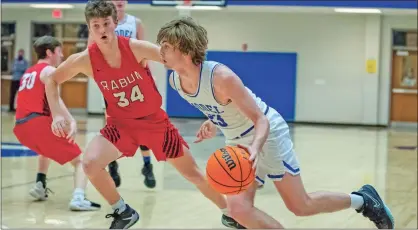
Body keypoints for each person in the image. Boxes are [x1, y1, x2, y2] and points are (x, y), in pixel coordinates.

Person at [157, 16, 395, 229]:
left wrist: (255, 148)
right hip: (237, 140)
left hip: (266, 133)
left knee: (300, 205)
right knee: (238, 211)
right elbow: (221, 106)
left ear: (185, 50)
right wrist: (213, 121)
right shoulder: (177, 83)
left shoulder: (222, 77)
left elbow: (260, 120)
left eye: (166, 47)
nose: (161, 51)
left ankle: (363, 200)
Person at [45, 1, 242, 229]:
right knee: (89, 163)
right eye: (95, 25)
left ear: (115, 23)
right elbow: (51, 79)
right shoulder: (85, 60)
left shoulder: (136, 47)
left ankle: (229, 213)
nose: (102, 30)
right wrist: (57, 113)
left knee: (193, 174)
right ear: (90, 28)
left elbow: (176, 60)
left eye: (106, 24)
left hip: (154, 123)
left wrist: (199, 79)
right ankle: (123, 211)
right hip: (120, 125)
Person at [13, 35, 101, 211]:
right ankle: (78, 198)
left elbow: (27, 98)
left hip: (21, 126)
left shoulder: (29, 72)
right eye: (59, 52)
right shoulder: (48, 72)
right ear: (49, 52)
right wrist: (64, 118)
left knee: (45, 150)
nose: (61, 56)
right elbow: (54, 97)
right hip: (38, 122)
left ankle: (40, 184)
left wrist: (68, 118)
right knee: (80, 161)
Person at [87, 0, 156, 189]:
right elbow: (90, 54)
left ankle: (148, 166)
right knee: (112, 127)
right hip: (113, 84)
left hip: (134, 83)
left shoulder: (136, 23)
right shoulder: (100, 25)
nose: (119, 2)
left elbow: (145, 55)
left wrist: (148, 81)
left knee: (142, 126)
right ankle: (113, 164)